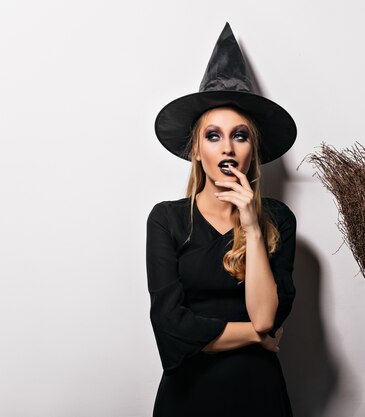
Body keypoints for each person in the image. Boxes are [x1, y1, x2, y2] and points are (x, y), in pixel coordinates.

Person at [147, 23, 297, 416]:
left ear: (253, 150)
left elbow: (266, 316)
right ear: (196, 149)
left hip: (258, 394)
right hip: (187, 397)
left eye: (240, 136)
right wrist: (254, 336)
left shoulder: (278, 220)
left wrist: (250, 223)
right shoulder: (167, 220)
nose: (227, 148)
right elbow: (170, 327)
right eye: (213, 136)